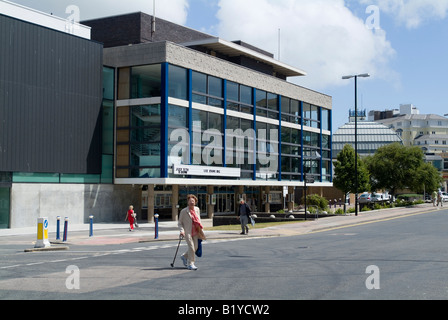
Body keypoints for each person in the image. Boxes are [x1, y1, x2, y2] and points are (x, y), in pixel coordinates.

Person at [178, 194, 205, 270]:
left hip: (196, 232)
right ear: (188, 202)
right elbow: (180, 223)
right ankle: (191, 264)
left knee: (195, 247)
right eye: (190, 201)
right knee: (191, 247)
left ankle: (184, 256)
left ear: (195, 202)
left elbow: (199, 220)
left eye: (193, 201)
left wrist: (201, 230)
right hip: (188, 232)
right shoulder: (184, 211)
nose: (191, 202)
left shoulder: (197, 209)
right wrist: (182, 231)